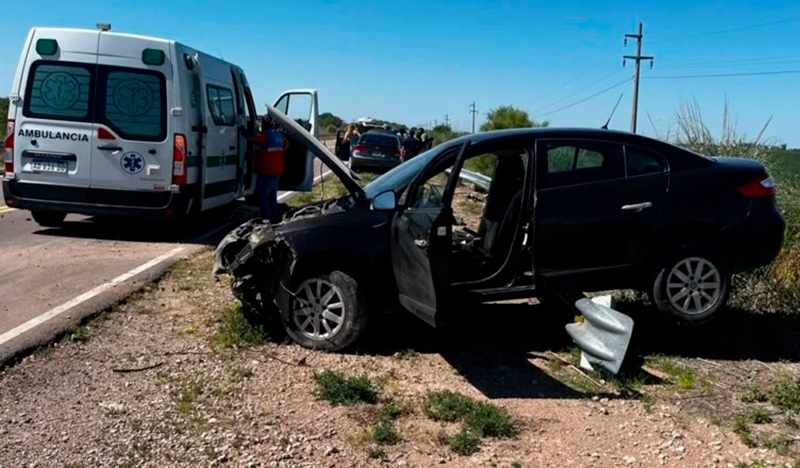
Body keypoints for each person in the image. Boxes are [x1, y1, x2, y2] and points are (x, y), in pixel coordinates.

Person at [252, 116, 288, 223]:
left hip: (266, 170)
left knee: (261, 194)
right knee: (272, 195)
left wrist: (242, 130)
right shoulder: (278, 135)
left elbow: (251, 139)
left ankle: (268, 217)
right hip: (277, 170)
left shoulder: (264, 135)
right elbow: (286, 145)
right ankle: (274, 214)